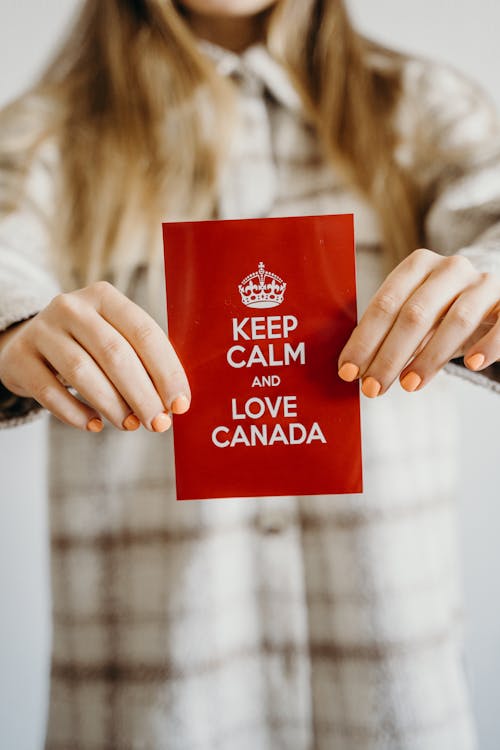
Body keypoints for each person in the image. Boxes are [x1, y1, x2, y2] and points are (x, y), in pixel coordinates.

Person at [0, 1, 499, 748]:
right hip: (156, 689)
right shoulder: (51, 129)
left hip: (390, 686)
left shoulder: (423, 105)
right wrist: (13, 329)